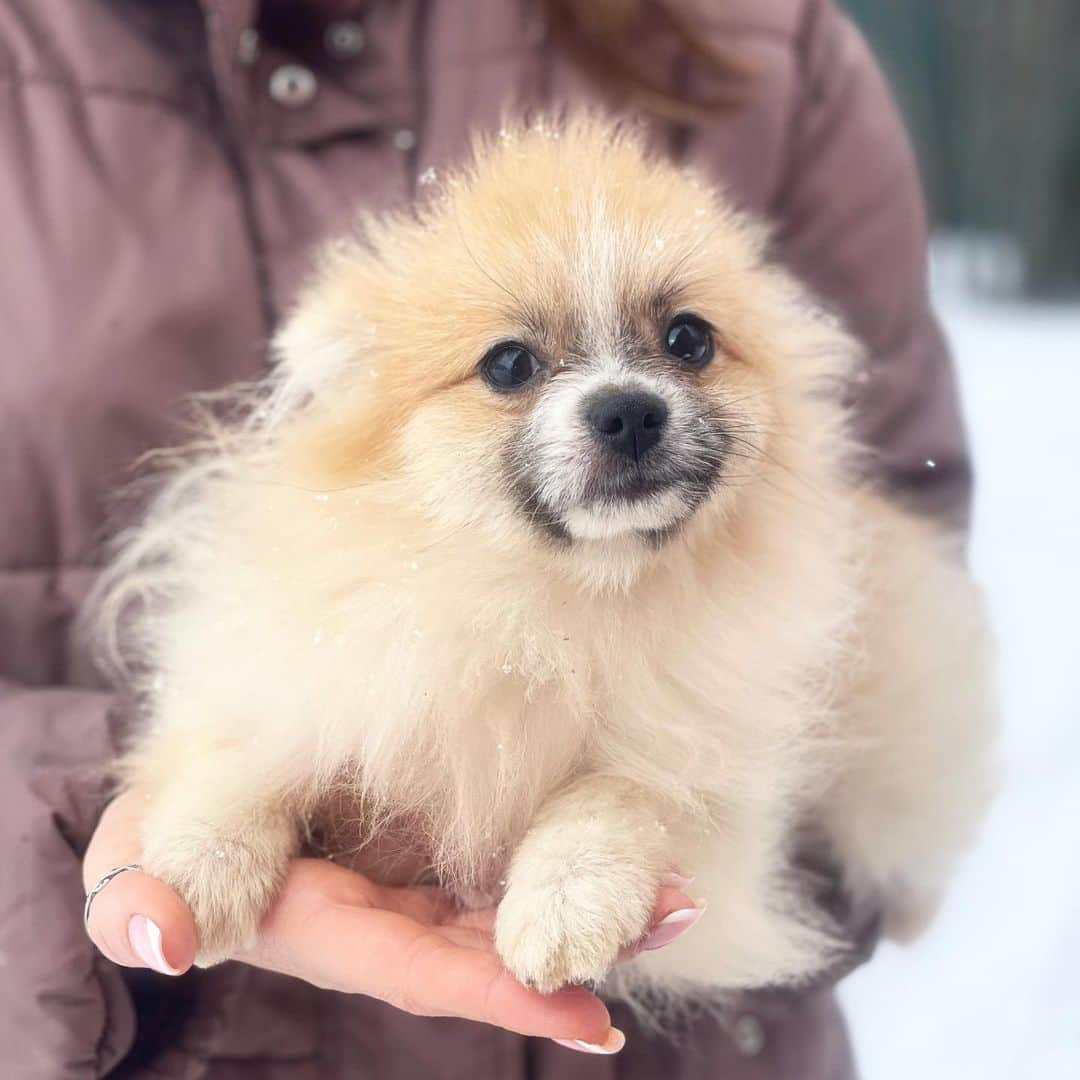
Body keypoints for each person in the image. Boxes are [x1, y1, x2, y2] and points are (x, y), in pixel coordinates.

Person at [0, 1, 972, 1077]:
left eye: (684, 344)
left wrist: (635, 819)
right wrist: (188, 807)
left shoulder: (761, 36)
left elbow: (907, 511)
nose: (629, 402)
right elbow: (235, 712)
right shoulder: (311, 584)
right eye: (512, 367)